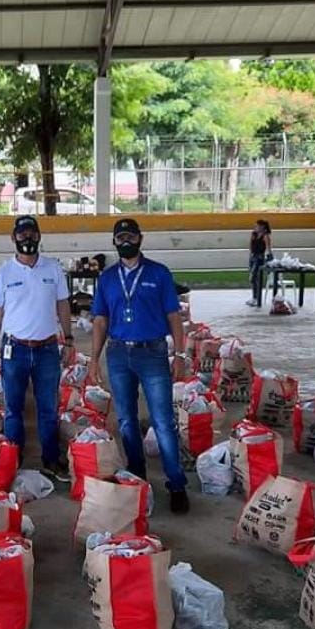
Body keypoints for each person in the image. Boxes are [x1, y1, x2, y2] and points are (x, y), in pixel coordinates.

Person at [89, 218, 190, 514]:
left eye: (130, 237)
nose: (125, 242)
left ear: (140, 239)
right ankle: (138, 478)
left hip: (153, 353)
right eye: (120, 238)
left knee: (163, 422)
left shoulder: (159, 274)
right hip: (119, 354)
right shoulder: (107, 278)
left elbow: (174, 317)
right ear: (114, 243)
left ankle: (176, 484)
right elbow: (99, 321)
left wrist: (180, 355)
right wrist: (94, 359)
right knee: (126, 422)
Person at [0, 215, 73, 482]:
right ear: (13, 238)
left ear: (39, 236)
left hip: (47, 349)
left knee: (48, 408)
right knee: (13, 409)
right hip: (15, 350)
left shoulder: (53, 269)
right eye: (22, 234)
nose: (27, 238)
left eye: (32, 233)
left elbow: (63, 306)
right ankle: (14, 458)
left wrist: (68, 339)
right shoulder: (3, 273)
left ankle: (50, 460)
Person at [246, 219, 273, 308]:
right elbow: (250, 245)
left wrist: (269, 258)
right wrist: (250, 256)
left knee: (254, 277)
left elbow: (268, 248)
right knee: (253, 279)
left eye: (257, 226)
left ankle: (257, 298)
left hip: (260, 258)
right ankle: (254, 297)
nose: (256, 227)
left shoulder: (265, 236)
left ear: (263, 227)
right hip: (253, 257)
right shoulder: (253, 234)